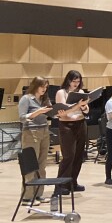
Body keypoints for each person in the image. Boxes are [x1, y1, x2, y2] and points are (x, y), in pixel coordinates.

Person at [18, 76, 53, 205]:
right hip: (31, 132)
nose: (44, 89)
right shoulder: (26, 99)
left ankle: (38, 194)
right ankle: (27, 197)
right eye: (42, 86)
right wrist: (38, 112)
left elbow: (49, 114)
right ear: (35, 85)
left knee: (42, 165)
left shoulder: (44, 99)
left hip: (44, 131)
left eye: (46, 87)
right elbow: (22, 118)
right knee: (30, 165)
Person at [54, 70, 89, 196]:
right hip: (67, 126)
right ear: (68, 80)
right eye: (74, 81)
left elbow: (86, 110)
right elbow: (65, 111)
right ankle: (60, 185)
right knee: (69, 156)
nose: (76, 84)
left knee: (79, 155)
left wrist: (84, 106)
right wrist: (78, 105)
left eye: (78, 81)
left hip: (80, 124)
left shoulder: (80, 92)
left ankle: (72, 182)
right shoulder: (61, 92)